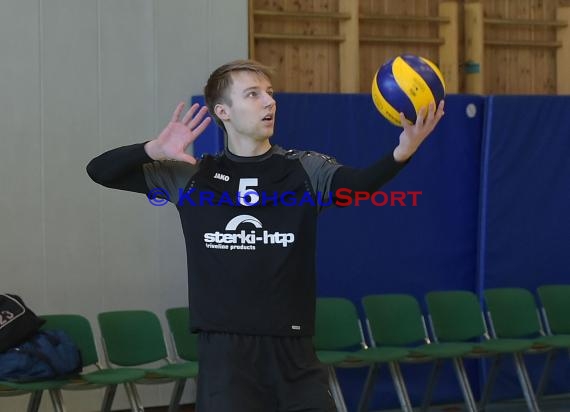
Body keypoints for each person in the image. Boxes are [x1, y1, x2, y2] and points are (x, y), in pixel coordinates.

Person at [86, 59, 444, 412]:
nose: (269, 102)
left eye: (270, 93)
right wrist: (152, 150)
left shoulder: (304, 169)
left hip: (294, 350)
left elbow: (360, 184)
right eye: (253, 94)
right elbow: (100, 171)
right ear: (223, 111)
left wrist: (403, 151)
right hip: (226, 354)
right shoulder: (192, 177)